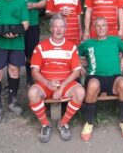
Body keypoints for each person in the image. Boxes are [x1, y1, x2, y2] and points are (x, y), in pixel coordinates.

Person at [28, 14, 85, 143]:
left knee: (80, 92)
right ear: (50, 29)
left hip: (65, 83)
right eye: (56, 27)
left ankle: (63, 123)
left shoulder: (71, 47)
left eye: (62, 27)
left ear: (65, 29)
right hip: (46, 83)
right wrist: (47, 83)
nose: (59, 30)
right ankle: (45, 124)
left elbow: (76, 72)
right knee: (32, 93)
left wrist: (62, 86)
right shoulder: (41, 47)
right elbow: (34, 72)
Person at [79, 17, 123, 141]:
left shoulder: (116, 40)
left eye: (103, 25)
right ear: (94, 28)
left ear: (107, 27)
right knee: (92, 85)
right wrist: (78, 64)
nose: (101, 28)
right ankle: (89, 123)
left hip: (114, 78)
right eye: (98, 26)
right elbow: (73, 54)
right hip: (95, 76)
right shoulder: (87, 43)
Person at [14, 0, 46, 86]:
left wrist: (34, 5)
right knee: (13, 53)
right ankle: (12, 80)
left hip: (32, 24)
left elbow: (45, 1)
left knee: (31, 53)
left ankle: (30, 78)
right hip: (14, 25)